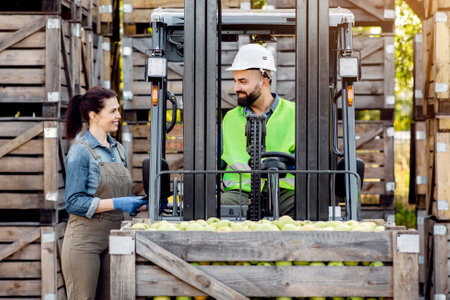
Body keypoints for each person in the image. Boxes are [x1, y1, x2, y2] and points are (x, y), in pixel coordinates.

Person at [61, 86, 147, 300]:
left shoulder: (118, 149)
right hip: (84, 242)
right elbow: (73, 202)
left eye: (118, 110)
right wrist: (118, 203)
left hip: (115, 238)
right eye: (112, 111)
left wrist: (147, 204)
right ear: (94, 115)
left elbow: (123, 197)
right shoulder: (80, 151)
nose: (118, 115)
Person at [221, 43, 295, 217]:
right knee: (216, 206)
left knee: (308, 205)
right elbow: (217, 162)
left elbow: (310, 161)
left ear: (263, 83)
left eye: (242, 82)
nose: (235, 88)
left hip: (284, 192)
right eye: (235, 81)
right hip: (240, 193)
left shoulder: (295, 113)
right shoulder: (230, 118)